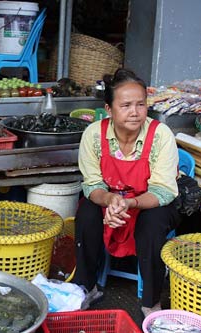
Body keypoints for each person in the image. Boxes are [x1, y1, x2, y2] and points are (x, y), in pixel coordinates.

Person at [73, 68, 180, 317]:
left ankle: (151, 301)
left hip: (150, 203)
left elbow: (163, 191)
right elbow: (92, 185)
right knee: (87, 212)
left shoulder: (160, 135)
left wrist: (129, 204)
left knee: (152, 224)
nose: (135, 112)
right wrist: (110, 200)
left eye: (141, 104)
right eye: (126, 105)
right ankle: (85, 287)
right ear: (109, 110)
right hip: (111, 201)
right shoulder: (94, 134)